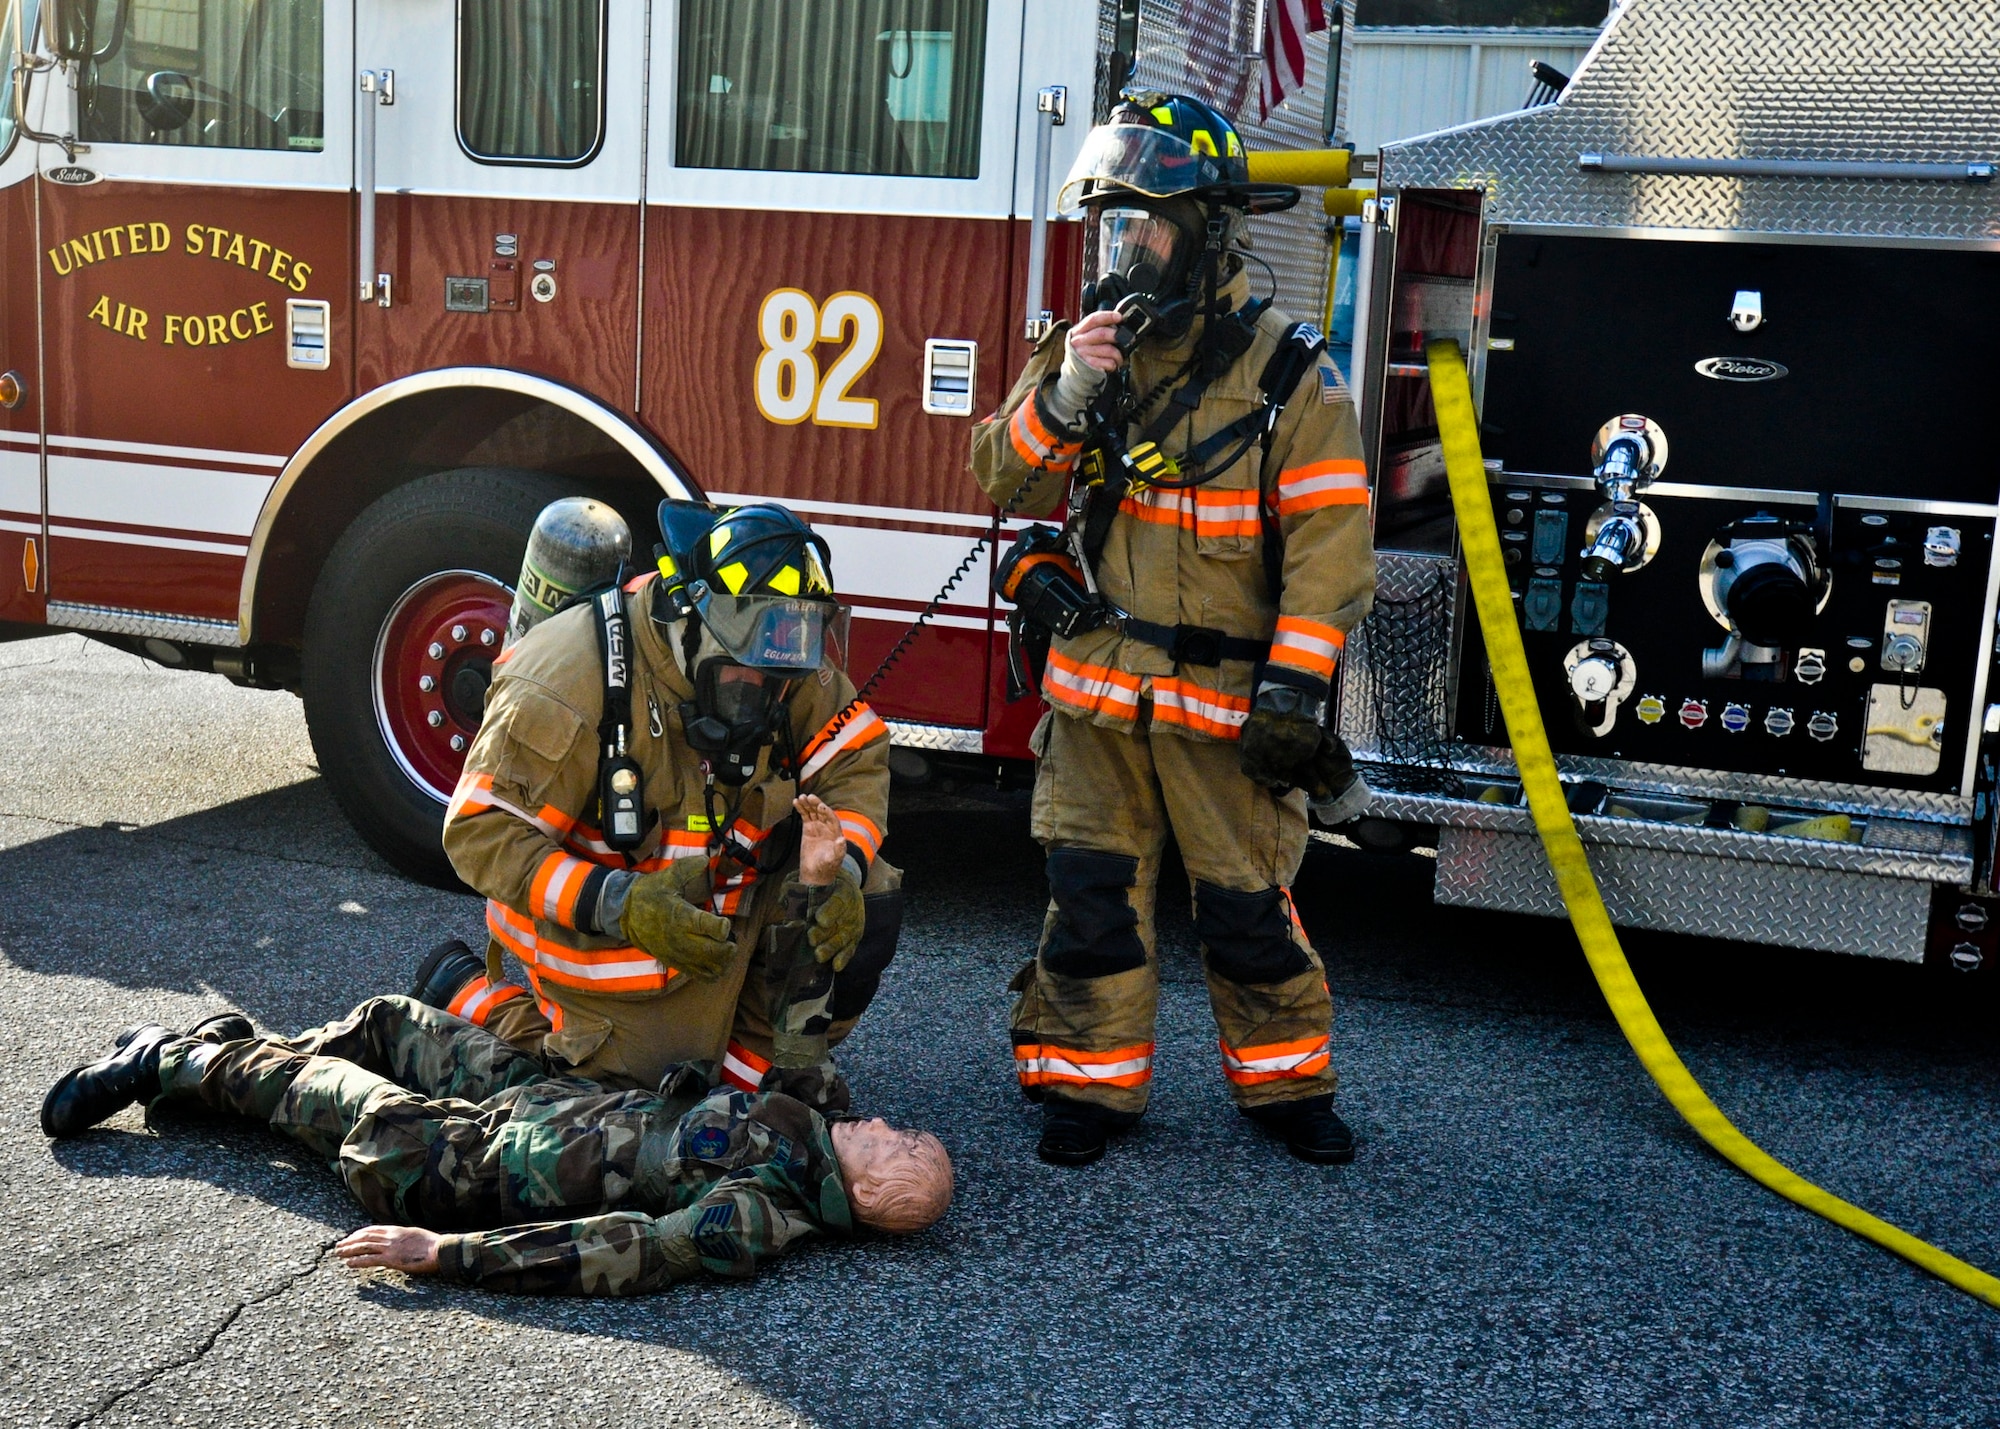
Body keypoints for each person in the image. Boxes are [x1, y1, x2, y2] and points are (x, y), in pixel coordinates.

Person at [971, 92, 1377, 1168]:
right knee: (1090, 901)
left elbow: (1332, 549)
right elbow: (1002, 474)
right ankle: (1085, 1087)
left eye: (1147, 225)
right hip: (1095, 700)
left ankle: (1287, 1087)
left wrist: (1293, 692)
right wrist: (1066, 387)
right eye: (1113, 226)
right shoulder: (1087, 351)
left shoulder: (1287, 372)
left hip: (1224, 708)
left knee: (1246, 909)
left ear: (1206, 231)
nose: (1126, 250)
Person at [431, 499, 899, 1108]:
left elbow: (854, 759)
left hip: (720, 917)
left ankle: (751, 1080)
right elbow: (480, 833)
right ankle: (471, 995)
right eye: (742, 674)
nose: (764, 693)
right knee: (630, 1104)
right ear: (688, 623)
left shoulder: (770, 639)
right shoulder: (566, 678)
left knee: (871, 895)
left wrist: (845, 871)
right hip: (606, 939)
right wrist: (622, 905)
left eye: (778, 675)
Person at [39, 993, 953, 1296]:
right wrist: (822, 878)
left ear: (870, 1196)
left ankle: (164, 1058)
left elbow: (621, 1249)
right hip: (539, 1098)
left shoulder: (758, 1215)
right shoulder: (817, 1118)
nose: (886, 1125)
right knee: (392, 1021)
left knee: (323, 1095)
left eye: (900, 1142)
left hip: (464, 1164)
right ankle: (226, 1060)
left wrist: (445, 1252)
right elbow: (802, 1022)